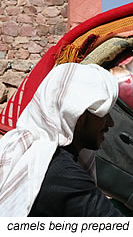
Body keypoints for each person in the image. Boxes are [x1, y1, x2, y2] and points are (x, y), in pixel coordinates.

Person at [0, 63, 123, 216]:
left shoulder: (23, 151)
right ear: (78, 117)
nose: (110, 123)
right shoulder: (64, 175)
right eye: (103, 115)